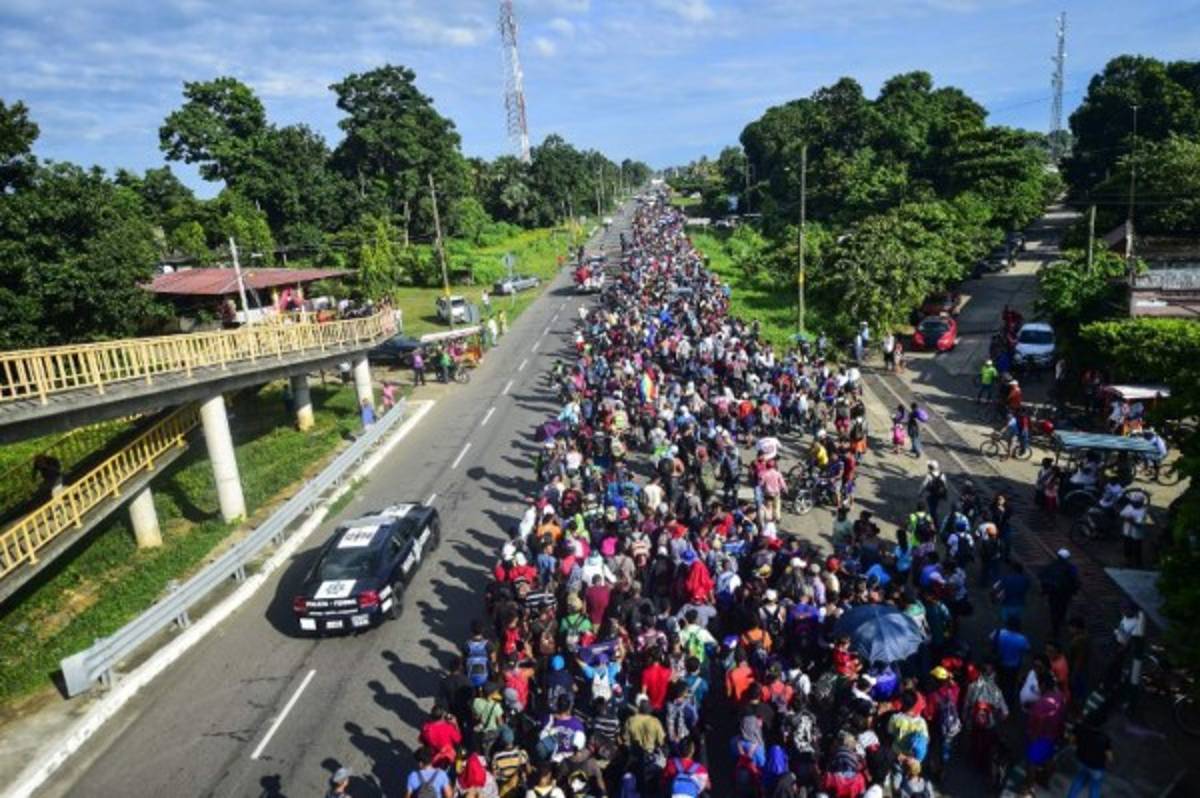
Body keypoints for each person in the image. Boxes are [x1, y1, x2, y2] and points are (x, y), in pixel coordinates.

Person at [1066, 713, 1113, 798]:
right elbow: (1109, 757)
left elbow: (1071, 740)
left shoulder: (1081, 728)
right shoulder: (1105, 738)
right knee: (1095, 787)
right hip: (1097, 767)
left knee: (1079, 779)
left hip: (1082, 761)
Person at [1039, 549, 1080, 641]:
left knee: (1053, 610)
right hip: (1065, 594)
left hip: (1053, 594)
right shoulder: (1071, 567)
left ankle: (1055, 629)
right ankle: (1060, 621)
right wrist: (1074, 591)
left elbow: (1042, 576)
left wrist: (1044, 591)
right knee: (1063, 608)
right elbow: (1075, 580)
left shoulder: (1052, 565)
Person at [1120, 492, 1148, 568]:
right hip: (1127, 531)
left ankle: (1138, 562)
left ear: (1141, 503)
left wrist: (1130, 519)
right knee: (1127, 546)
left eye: (1135, 502)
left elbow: (1139, 524)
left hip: (1137, 534)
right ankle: (1127, 560)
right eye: (1132, 502)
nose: (1133, 504)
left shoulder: (1143, 511)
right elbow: (1121, 514)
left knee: (1137, 548)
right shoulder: (1129, 507)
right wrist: (1129, 519)